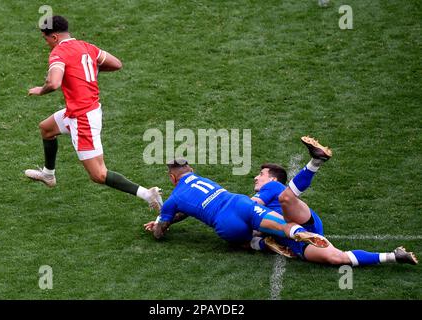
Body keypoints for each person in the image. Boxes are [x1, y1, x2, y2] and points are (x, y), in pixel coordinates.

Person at [25, 16, 162, 210]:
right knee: (46, 129)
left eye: (45, 38)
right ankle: (48, 174)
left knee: (98, 174)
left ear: (54, 37)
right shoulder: (87, 47)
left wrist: (40, 89)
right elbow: (116, 64)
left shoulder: (59, 52)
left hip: (82, 118)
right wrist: (87, 69)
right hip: (83, 110)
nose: (46, 42)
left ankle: (147, 194)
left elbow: (53, 83)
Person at [250, 136, 417, 266]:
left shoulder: (272, 187)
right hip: (299, 242)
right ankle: (394, 256)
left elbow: (251, 208)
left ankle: (316, 161)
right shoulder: (270, 189)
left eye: (261, 174)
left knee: (285, 198)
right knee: (337, 258)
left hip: (299, 223)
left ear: (272, 179)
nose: (256, 177)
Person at [143, 159, 331, 249]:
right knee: (281, 225)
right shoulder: (203, 179)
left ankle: (262, 245)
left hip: (225, 223)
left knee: (244, 241)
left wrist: (159, 225)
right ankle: (299, 233)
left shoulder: (174, 199)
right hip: (239, 202)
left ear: (171, 177)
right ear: (191, 170)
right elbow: (186, 210)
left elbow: (161, 233)